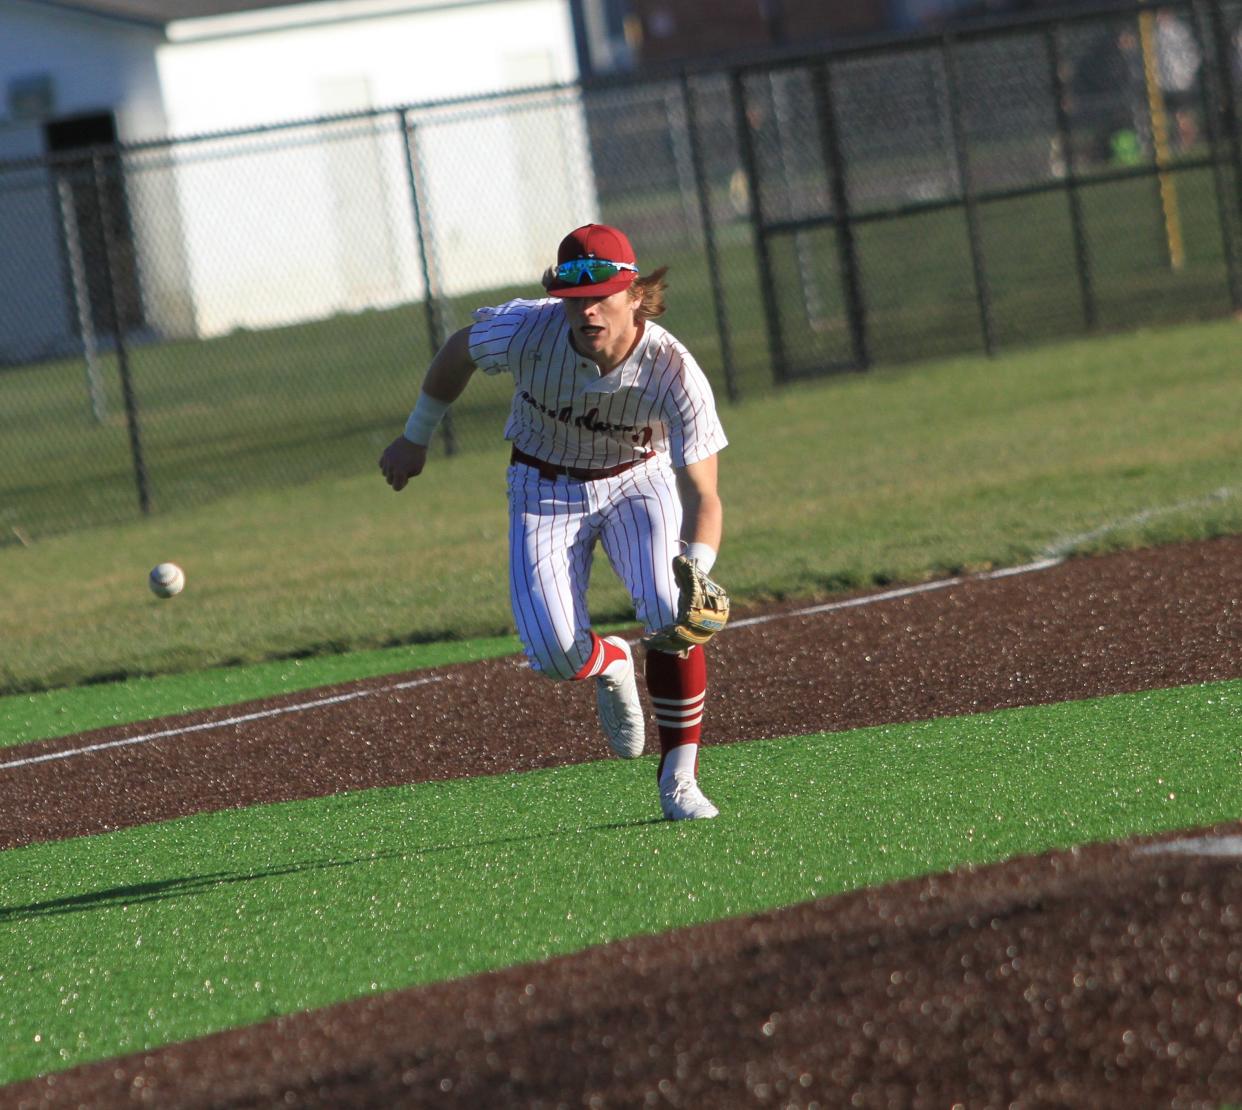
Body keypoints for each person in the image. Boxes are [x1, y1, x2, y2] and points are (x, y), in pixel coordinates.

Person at [378, 223, 729, 821]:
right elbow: (458, 351)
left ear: (636, 295)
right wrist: (416, 436)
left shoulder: (673, 370)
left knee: (673, 609)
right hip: (542, 485)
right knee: (552, 654)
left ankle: (680, 780)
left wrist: (697, 568)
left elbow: (704, 494)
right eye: (575, 297)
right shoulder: (528, 329)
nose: (587, 309)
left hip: (636, 481)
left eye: (603, 294)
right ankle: (613, 662)